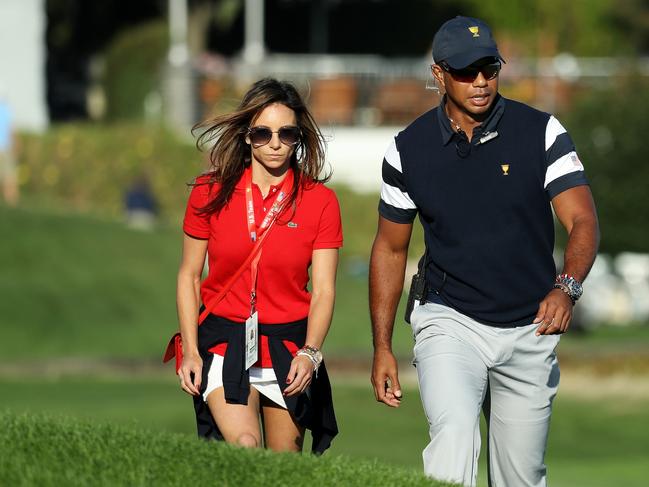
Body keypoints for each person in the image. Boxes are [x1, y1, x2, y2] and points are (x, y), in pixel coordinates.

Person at [369, 16, 599, 487]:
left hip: (529, 324)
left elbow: (582, 220)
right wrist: (382, 347)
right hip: (449, 318)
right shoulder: (406, 150)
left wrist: (567, 288)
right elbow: (391, 250)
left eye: (489, 69)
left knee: (521, 477)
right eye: (465, 71)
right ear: (438, 75)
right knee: (452, 442)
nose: (480, 82)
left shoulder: (542, 132)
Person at [174, 78, 342, 454]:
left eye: (287, 133)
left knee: (286, 466)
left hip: (289, 346)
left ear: (299, 137)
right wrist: (190, 350)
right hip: (224, 341)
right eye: (262, 133)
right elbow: (188, 275)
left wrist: (310, 351)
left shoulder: (321, 202)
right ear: (246, 136)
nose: (275, 142)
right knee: (246, 448)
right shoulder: (209, 191)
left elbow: (325, 290)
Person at [0, 87, 18, 206]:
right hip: (5, 147)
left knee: (8, 175)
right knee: (9, 175)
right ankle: (11, 201)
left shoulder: (5, 109)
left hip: (5, 146)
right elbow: (11, 130)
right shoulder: (6, 109)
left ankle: (11, 200)